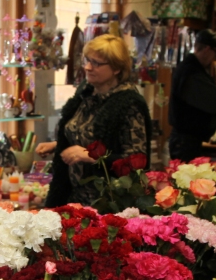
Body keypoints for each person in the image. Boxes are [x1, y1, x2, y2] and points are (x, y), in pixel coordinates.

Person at [38, 34, 152, 207]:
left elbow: (136, 161)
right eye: (87, 60)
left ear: (116, 68)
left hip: (106, 202)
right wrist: (58, 144)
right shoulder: (86, 92)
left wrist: (91, 156)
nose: (88, 67)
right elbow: (88, 133)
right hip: (72, 196)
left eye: (96, 63)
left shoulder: (129, 103)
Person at [168, 29, 216, 162]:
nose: (214, 58)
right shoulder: (191, 71)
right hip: (185, 142)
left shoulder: (191, 69)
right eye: (215, 53)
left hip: (187, 140)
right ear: (207, 49)